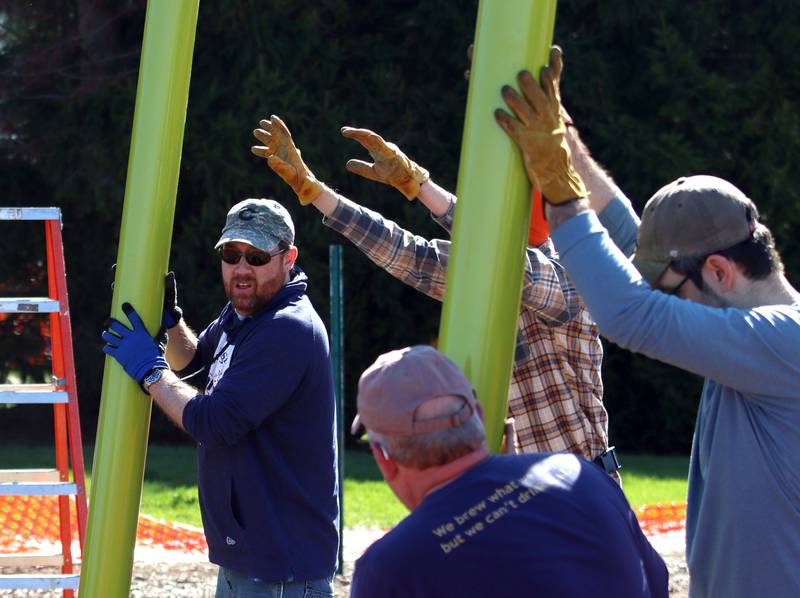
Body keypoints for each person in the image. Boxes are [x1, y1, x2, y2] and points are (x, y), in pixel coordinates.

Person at [495, 46, 800, 598]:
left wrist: (561, 192)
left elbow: (631, 314)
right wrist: (561, 140)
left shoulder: (788, 342)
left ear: (718, 270)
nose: (665, 298)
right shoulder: (758, 335)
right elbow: (637, 247)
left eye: (672, 287)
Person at [250, 104, 629, 478]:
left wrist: (420, 186)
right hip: (511, 493)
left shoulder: (572, 277)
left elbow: (514, 268)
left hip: (582, 492)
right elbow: (407, 253)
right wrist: (314, 191)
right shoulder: (482, 276)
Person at [101, 198, 339, 597]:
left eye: (257, 256)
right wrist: (172, 323)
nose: (242, 269)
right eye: (231, 254)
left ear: (288, 258)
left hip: (282, 568)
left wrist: (149, 371)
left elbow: (214, 423)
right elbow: (194, 361)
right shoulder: (244, 312)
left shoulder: (286, 329)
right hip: (250, 556)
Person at [347, 344, 667, 597]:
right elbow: (655, 580)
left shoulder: (390, 569)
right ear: (481, 416)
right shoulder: (580, 477)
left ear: (382, 457)